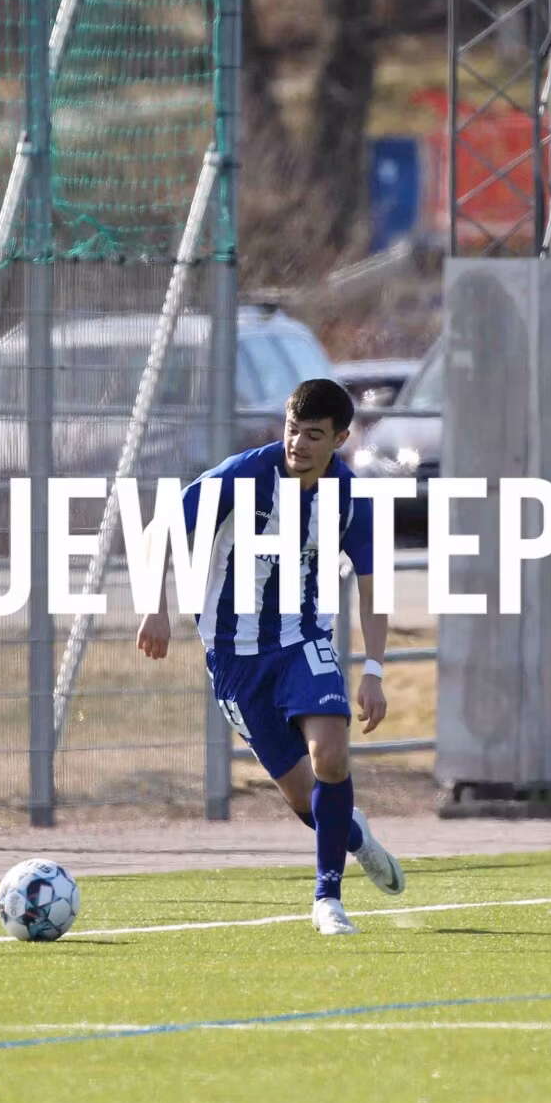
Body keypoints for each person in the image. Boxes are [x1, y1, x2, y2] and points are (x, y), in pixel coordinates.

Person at [135, 378, 406, 936]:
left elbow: (374, 591)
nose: (297, 444)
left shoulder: (351, 500)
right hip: (234, 656)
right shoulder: (243, 476)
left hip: (303, 639)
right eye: (292, 430)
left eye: (313, 435)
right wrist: (154, 607)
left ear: (340, 439)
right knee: (304, 794)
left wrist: (374, 671)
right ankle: (353, 836)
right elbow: (160, 529)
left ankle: (327, 899)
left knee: (330, 755)